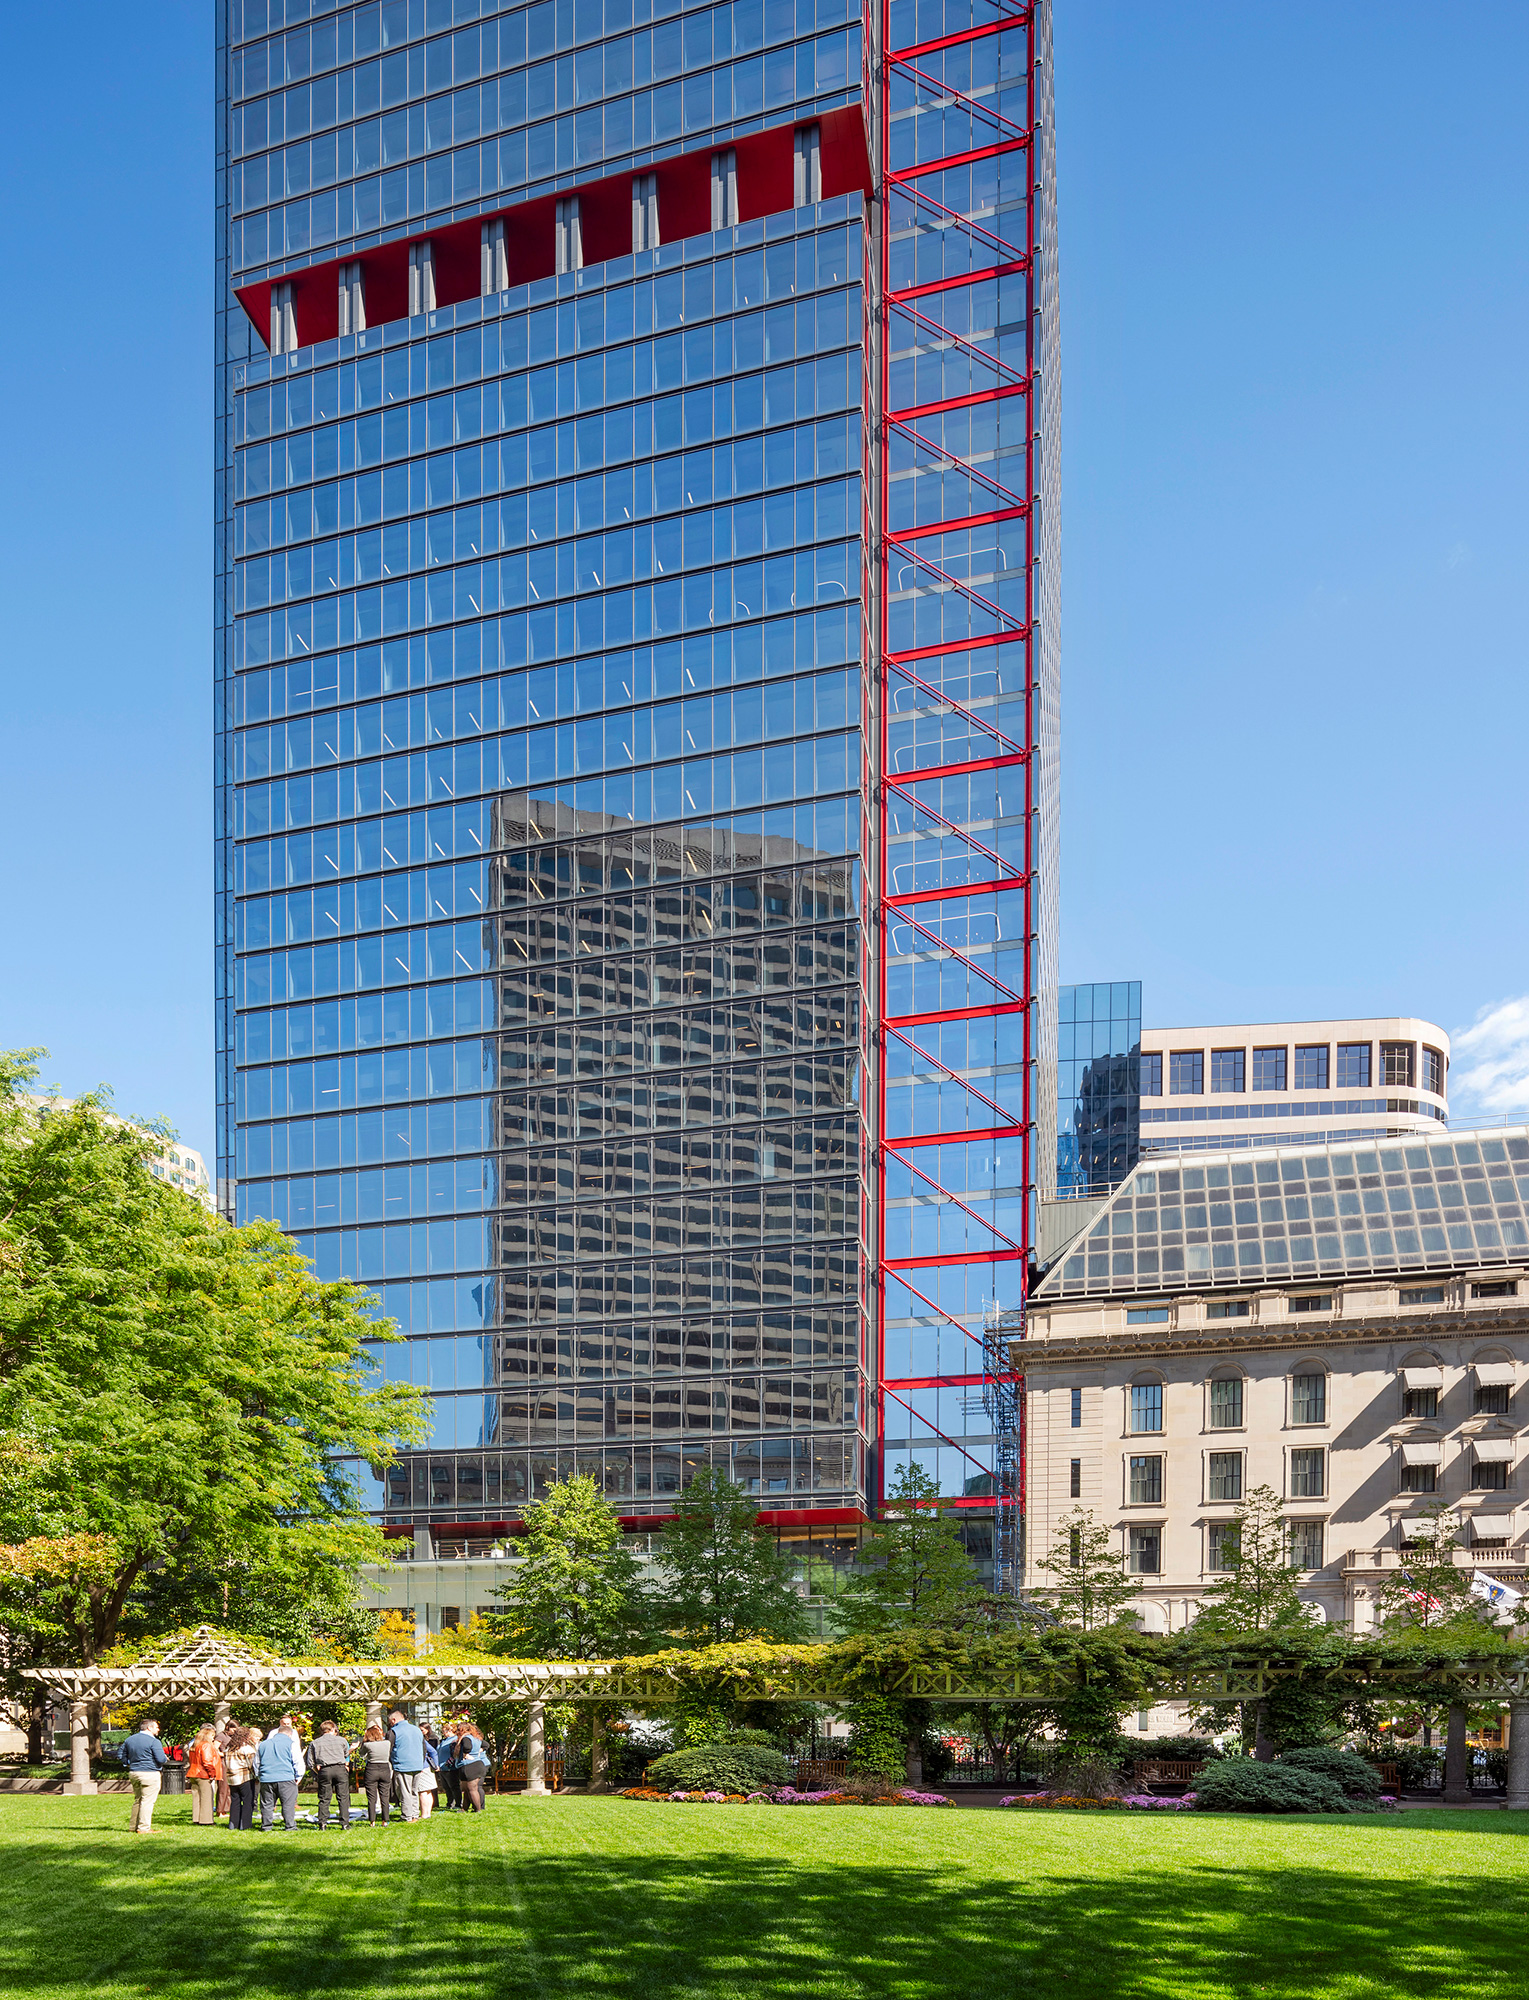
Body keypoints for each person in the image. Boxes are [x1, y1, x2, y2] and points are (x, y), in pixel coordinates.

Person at [118, 1718, 169, 1834]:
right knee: (147, 1801)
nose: (158, 1729)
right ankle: (144, 1828)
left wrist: (128, 1763)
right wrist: (165, 1758)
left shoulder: (129, 1739)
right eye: (156, 1727)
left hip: (134, 1772)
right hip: (150, 1774)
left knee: (138, 1800)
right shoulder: (154, 1741)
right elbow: (160, 1758)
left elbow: (121, 1754)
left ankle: (133, 1826)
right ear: (149, 1728)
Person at [257, 1715, 303, 1832]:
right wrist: (299, 1776)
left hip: (266, 1778)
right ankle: (290, 1826)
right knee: (288, 1803)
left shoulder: (262, 1744)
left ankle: (266, 1826)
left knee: (267, 1804)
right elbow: (297, 1761)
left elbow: (256, 1762)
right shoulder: (291, 1743)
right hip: (286, 1777)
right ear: (290, 1734)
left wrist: (259, 1775)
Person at [307, 1720, 353, 1830]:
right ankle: (345, 1823)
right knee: (343, 1797)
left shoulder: (315, 1742)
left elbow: (310, 1762)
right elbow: (346, 1754)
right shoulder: (341, 1740)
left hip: (324, 1770)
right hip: (340, 1768)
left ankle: (322, 1823)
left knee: (324, 1797)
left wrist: (318, 1771)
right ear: (332, 1729)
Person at [386, 1708, 426, 1823]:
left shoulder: (393, 1731)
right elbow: (423, 1747)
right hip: (417, 1765)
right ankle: (414, 1814)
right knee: (414, 1791)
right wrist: (421, 1763)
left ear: (393, 1720)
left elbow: (388, 1748)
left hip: (402, 1765)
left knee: (404, 1792)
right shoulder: (417, 1730)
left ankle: (406, 1816)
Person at [186, 1724, 223, 1827]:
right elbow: (207, 1761)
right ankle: (206, 1820)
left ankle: (196, 1818)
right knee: (206, 1797)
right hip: (203, 1774)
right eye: (212, 1736)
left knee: (196, 1797)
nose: (213, 1738)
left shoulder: (195, 1745)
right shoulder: (206, 1745)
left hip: (193, 1773)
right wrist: (212, 1774)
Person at [225, 1726, 260, 1833]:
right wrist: (257, 1776)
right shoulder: (247, 1748)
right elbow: (252, 1765)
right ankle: (245, 1825)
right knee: (247, 1801)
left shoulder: (228, 1748)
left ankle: (233, 1824)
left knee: (235, 1801)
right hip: (245, 1778)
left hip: (232, 1778)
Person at [358, 1724, 393, 1825]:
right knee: (385, 1796)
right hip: (385, 1768)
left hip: (372, 1769)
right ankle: (385, 1820)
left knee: (371, 1797)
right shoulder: (387, 1743)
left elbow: (362, 1755)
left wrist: (363, 1742)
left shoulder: (367, 1745)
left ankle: (372, 1821)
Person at [455, 1722, 489, 1813]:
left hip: (470, 1765)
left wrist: (466, 1753)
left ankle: (477, 1809)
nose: (457, 1731)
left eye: (459, 1729)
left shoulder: (466, 1738)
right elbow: (485, 1745)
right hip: (478, 1764)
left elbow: (467, 1747)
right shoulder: (476, 1738)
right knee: (466, 1789)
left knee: (472, 1789)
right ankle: (464, 1809)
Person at [433, 1725, 462, 1812]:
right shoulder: (444, 1741)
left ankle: (458, 1803)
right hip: (442, 1768)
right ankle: (450, 1803)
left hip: (450, 1768)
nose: (444, 1733)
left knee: (454, 1786)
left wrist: (447, 1764)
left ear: (451, 1730)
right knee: (446, 1787)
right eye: (443, 1731)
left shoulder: (454, 1740)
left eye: (446, 1731)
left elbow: (454, 1754)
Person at [417, 1730, 439, 1819]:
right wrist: (435, 1765)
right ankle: (428, 1813)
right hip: (428, 1767)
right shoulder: (423, 1741)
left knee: (422, 1792)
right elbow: (433, 1752)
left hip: (422, 1768)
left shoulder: (417, 1741)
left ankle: (424, 1814)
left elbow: (433, 1752)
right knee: (428, 1791)